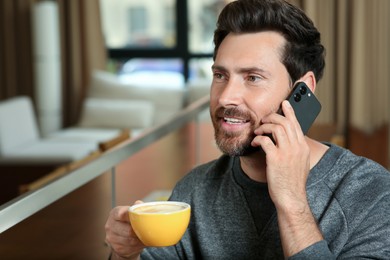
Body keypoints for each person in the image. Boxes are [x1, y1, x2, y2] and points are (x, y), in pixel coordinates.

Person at [105, 0, 390, 259]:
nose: (226, 96)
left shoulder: (371, 191)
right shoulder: (195, 189)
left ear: (302, 89)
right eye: (220, 75)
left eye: (253, 77)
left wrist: (291, 203)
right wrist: (124, 254)